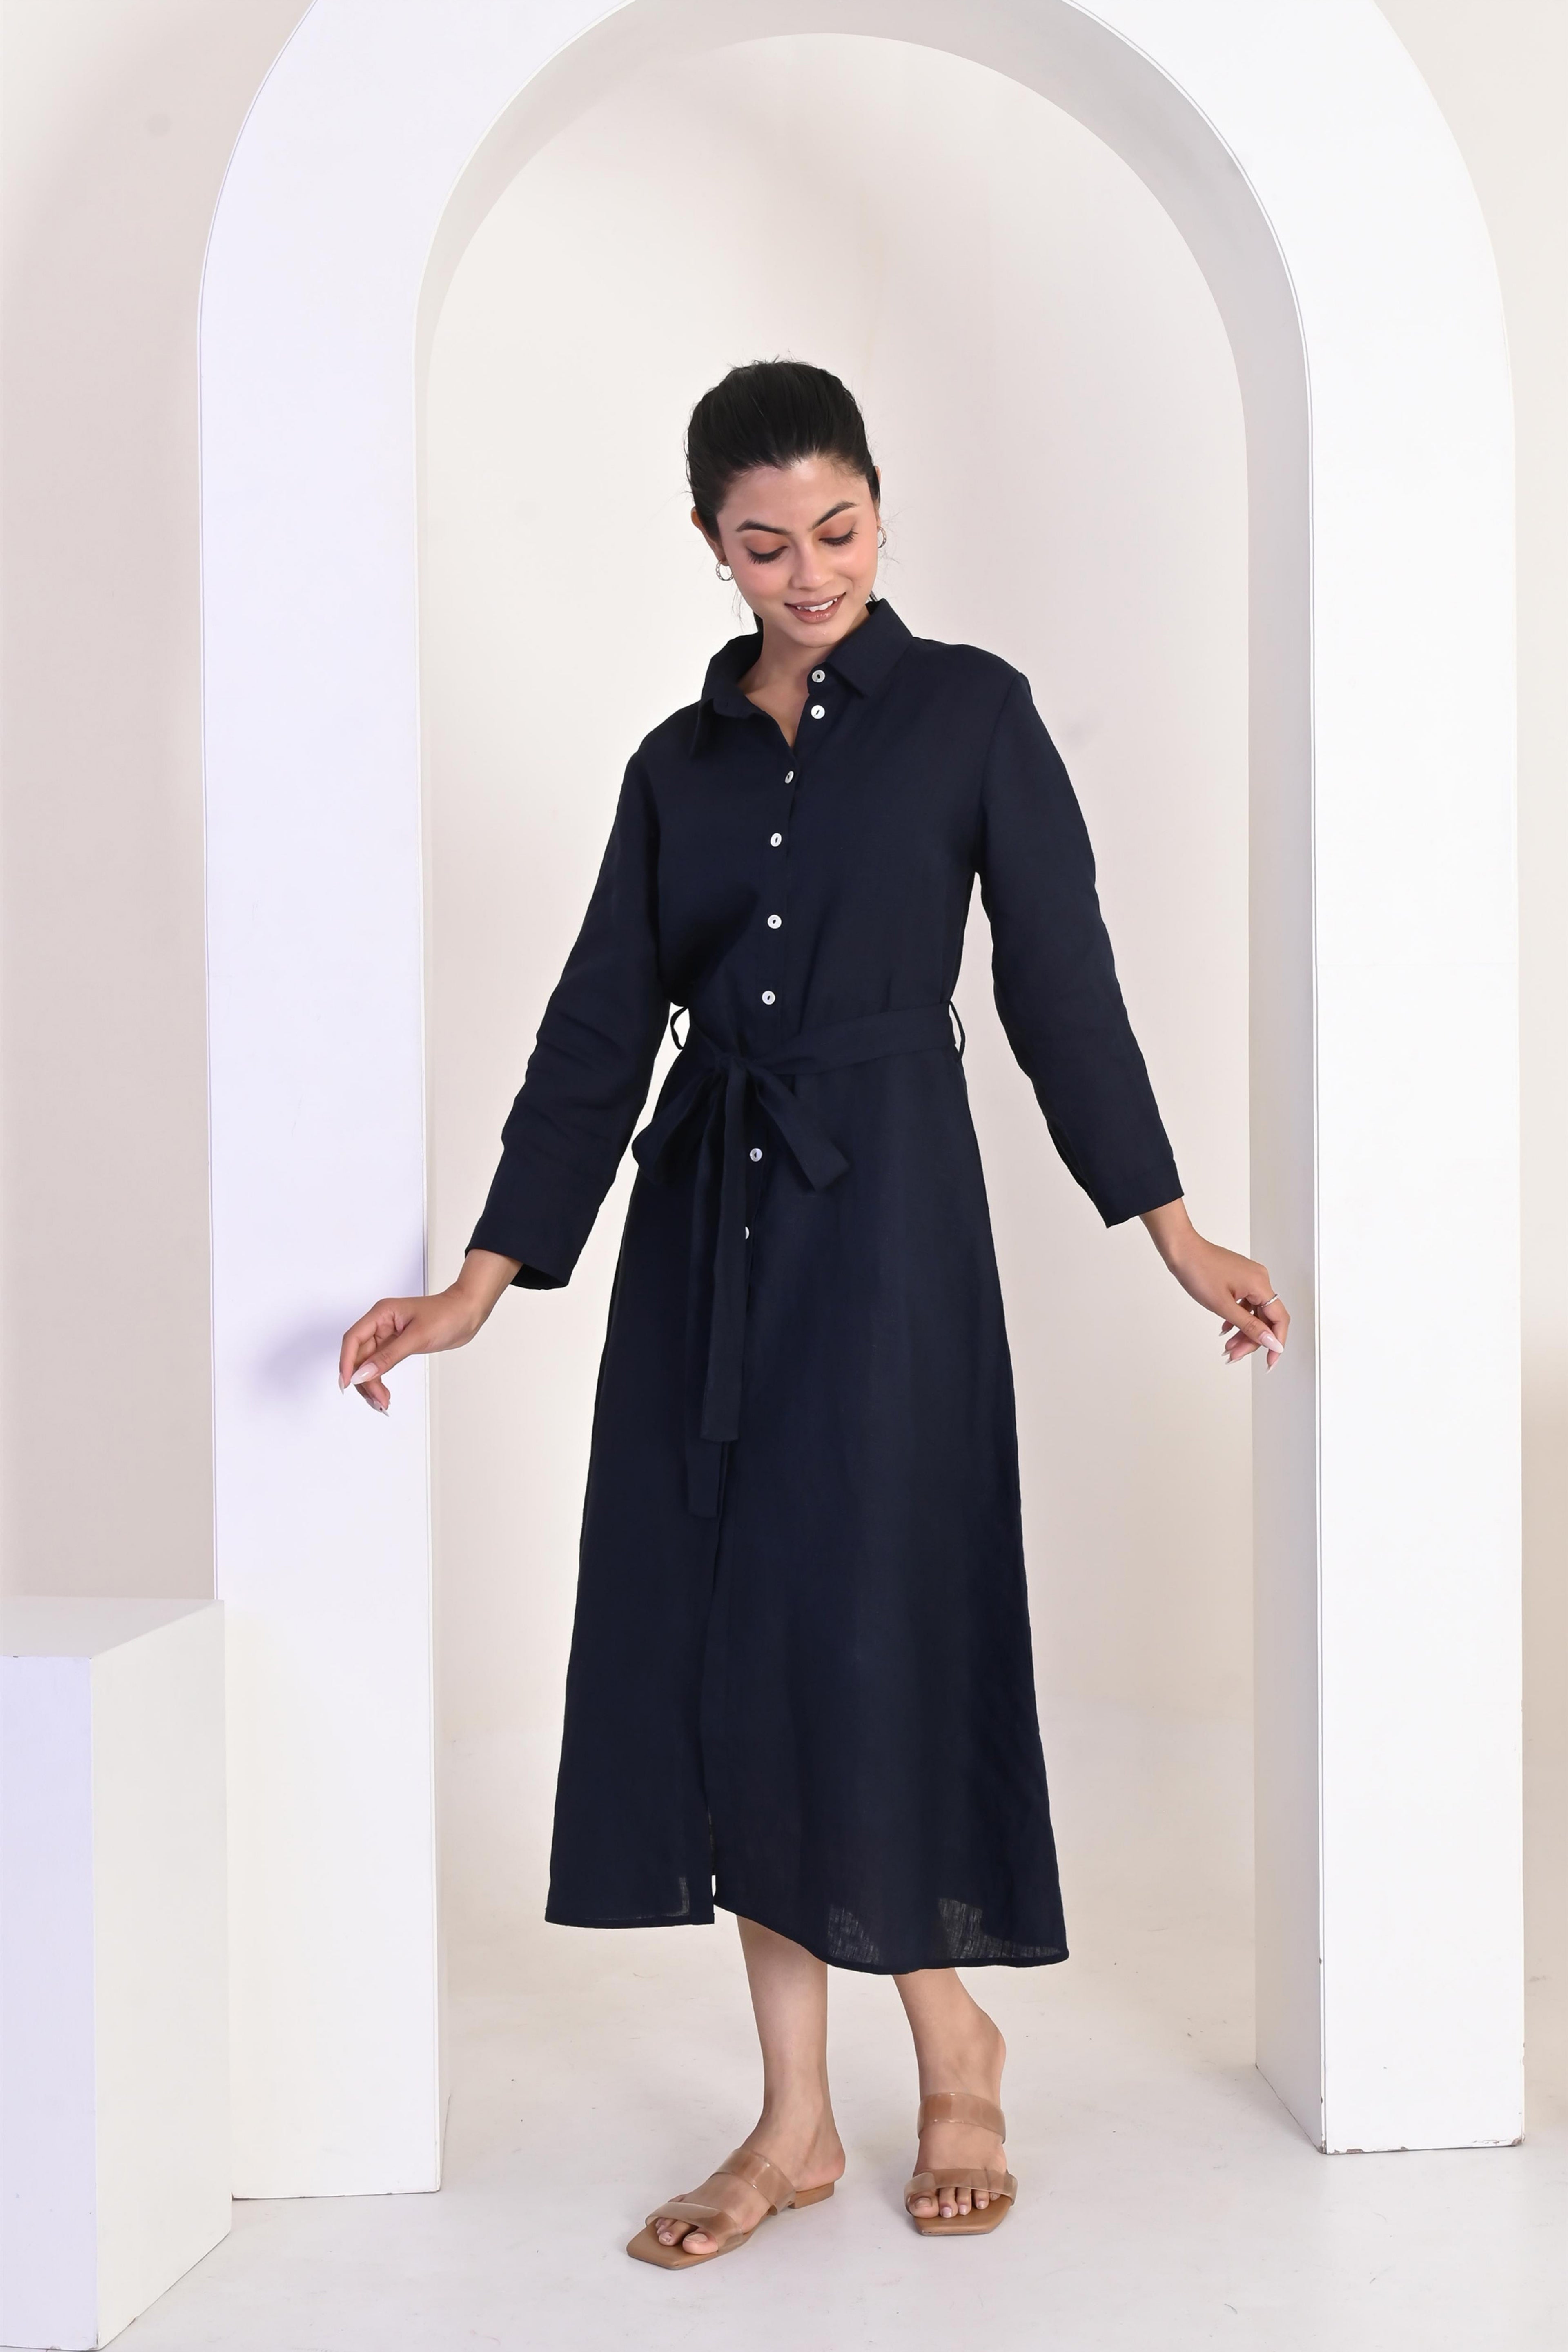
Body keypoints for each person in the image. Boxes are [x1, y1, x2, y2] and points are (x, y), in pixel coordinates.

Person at [339, 360, 1288, 2267]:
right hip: (707, 1230)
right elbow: (598, 1028)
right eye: (764, 544)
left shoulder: (971, 713)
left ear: (879, 507)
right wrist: (480, 1284)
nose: (809, 572)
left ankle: (952, 2043)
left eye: (836, 530)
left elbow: (1063, 986)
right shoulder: (674, 767)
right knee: (732, 1646)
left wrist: (1172, 1230)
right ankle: (791, 2122)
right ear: (711, 546)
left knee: (878, 1618)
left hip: (892, 1227)